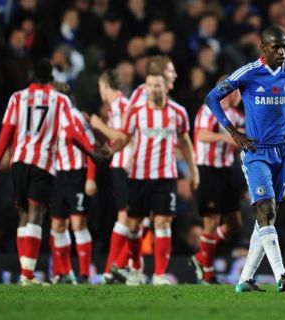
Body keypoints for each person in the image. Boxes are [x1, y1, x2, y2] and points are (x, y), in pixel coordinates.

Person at [204, 25, 285, 292]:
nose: (281, 51)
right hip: (256, 153)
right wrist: (233, 132)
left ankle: (244, 280)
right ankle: (282, 274)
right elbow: (212, 98)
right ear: (262, 48)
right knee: (265, 210)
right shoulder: (248, 72)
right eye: (276, 46)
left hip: (281, 152)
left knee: (267, 218)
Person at [0, 59, 97, 286]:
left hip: (19, 160)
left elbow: (6, 131)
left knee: (23, 214)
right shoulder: (60, 100)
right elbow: (71, 131)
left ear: (31, 75)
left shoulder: (17, 97)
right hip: (42, 162)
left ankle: (25, 273)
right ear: (51, 76)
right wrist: (91, 151)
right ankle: (28, 276)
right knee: (36, 214)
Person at [90, 70, 199, 285]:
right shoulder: (136, 111)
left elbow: (184, 141)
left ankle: (151, 273)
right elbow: (124, 137)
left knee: (160, 221)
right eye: (150, 85)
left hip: (155, 173)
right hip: (137, 174)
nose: (154, 89)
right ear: (145, 88)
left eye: (158, 85)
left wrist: (193, 171)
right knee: (133, 224)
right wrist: (111, 150)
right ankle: (132, 266)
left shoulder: (174, 112)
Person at [190, 79, 245, 284]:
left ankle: (200, 257)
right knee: (211, 220)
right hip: (207, 168)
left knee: (234, 223)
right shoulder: (209, 110)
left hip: (227, 169)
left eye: (239, 92)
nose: (236, 96)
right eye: (233, 91)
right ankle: (207, 273)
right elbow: (201, 135)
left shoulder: (238, 115)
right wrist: (225, 138)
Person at [49, 82, 97, 285]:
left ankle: (84, 273)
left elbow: (91, 147)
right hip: (58, 175)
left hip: (77, 174)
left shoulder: (75, 117)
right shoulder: (50, 119)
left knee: (78, 223)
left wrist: (91, 178)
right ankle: (64, 272)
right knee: (58, 224)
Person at [97, 69, 133, 283]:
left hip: (125, 166)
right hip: (122, 167)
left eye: (100, 87)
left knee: (130, 218)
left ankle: (116, 268)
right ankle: (115, 268)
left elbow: (122, 136)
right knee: (129, 218)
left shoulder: (120, 105)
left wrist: (98, 125)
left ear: (105, 86)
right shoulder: (119, 106)